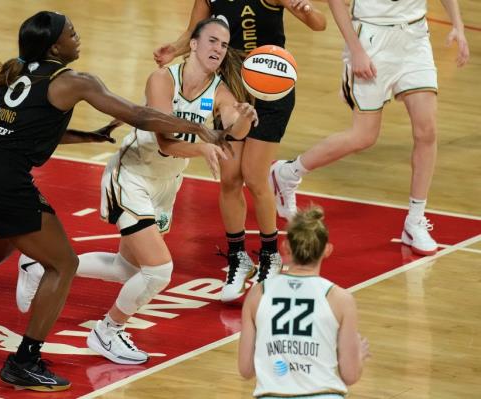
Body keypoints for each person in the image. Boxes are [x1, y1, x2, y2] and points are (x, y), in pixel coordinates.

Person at [0, 11, 230, 393]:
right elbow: (139, 115)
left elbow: (28, 131)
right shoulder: (75, 81)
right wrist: (199, 129)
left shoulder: (21, 72)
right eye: (72, 34)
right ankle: (24, 361)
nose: (79, 37)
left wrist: (89, 136)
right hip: (4, 180)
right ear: (55, 45)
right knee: (63, 264)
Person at [15, 17, 258, 365]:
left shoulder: (220, 90)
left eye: (224, 43)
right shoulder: (162, 79)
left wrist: (246, 116)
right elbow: (165, 141)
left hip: (164, 186)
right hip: (132, 176)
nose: (218, 49)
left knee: (127, 271)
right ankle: (107, 331)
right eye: (212, 41)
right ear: (193, 43)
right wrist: (205, 147)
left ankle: (39, 265)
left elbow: (233, 126)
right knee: (159, 271)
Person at [154, 0, 327, 303]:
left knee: (255, 177)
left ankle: (270, 256)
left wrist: (306, 8)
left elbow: (319, 24)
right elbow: (194, 32)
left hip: (271, 90)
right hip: (231, 90)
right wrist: (175, 49)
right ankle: (238, 258)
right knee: (229, 179)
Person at [270, 0, 470, 256]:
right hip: (371, 38)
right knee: (363, 136)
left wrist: (458, 25)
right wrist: (356, 49)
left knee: (427, 132)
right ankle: (287, 173)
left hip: (415, 37)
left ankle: (415, 220)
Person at [238, 206, 370, 397]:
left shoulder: (258, 293)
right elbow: (350, 375)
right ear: (327, 250)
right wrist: (357, 356)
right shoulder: (340, 299)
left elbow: (245, 369)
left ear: (286, 247)